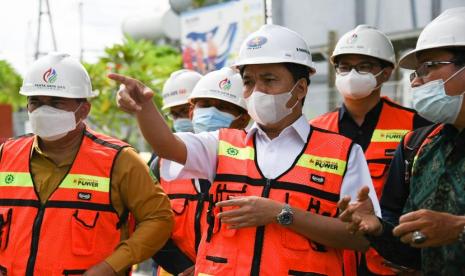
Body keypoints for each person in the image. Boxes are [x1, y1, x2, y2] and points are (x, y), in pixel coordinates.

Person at [110, 24, 380, 276]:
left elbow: (359, 239)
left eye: (269, 80)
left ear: (300, 88)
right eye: (249, 81)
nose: (257, 90)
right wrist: (144, 108)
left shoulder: (342, 153)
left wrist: (281, 213)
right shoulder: (223, 144)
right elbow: (166, 145)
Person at [0, 53, 173, 276]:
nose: (44, 110)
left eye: (56, 103)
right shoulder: (6, 155)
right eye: (36, 101)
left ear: (83, 110)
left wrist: (110, 267)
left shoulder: (119, 160)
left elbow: (158, 219)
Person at [338, 7, 465, 275]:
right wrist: (378, 228)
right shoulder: (417, 146)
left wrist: (458, 228)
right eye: (416, 71)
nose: (417, 81)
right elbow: (409, 248)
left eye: (429, 67)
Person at [310, 25, 431, 275]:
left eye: (364, 66)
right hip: (332, 259)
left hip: (391, 260)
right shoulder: (315, 130)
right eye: (344, 66)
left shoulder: (416, 126)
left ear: (386, 73)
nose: (352, 73)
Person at [152, 67, 250, 276]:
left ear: (244, 118)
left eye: (223, 107)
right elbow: (148, 223)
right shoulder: (161, 164)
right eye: (205, 105)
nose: (211, 114)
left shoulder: (257, 164)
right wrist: (182, 267)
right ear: (193, 110)